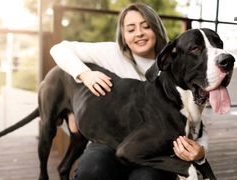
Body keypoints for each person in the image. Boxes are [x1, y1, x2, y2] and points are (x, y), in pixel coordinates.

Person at [50, 3, 207, 180]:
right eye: (130, 29)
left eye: (146, 26)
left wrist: (201, 152)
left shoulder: (173, 60)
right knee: (91, 170)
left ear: (156, 28)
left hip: (156, 147)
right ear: (123, 35)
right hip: (109, 138)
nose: (139, 33)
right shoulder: (110, 52)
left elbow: (195, 116)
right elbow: (59, 49)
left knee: (146, 178)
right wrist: (84, 75)